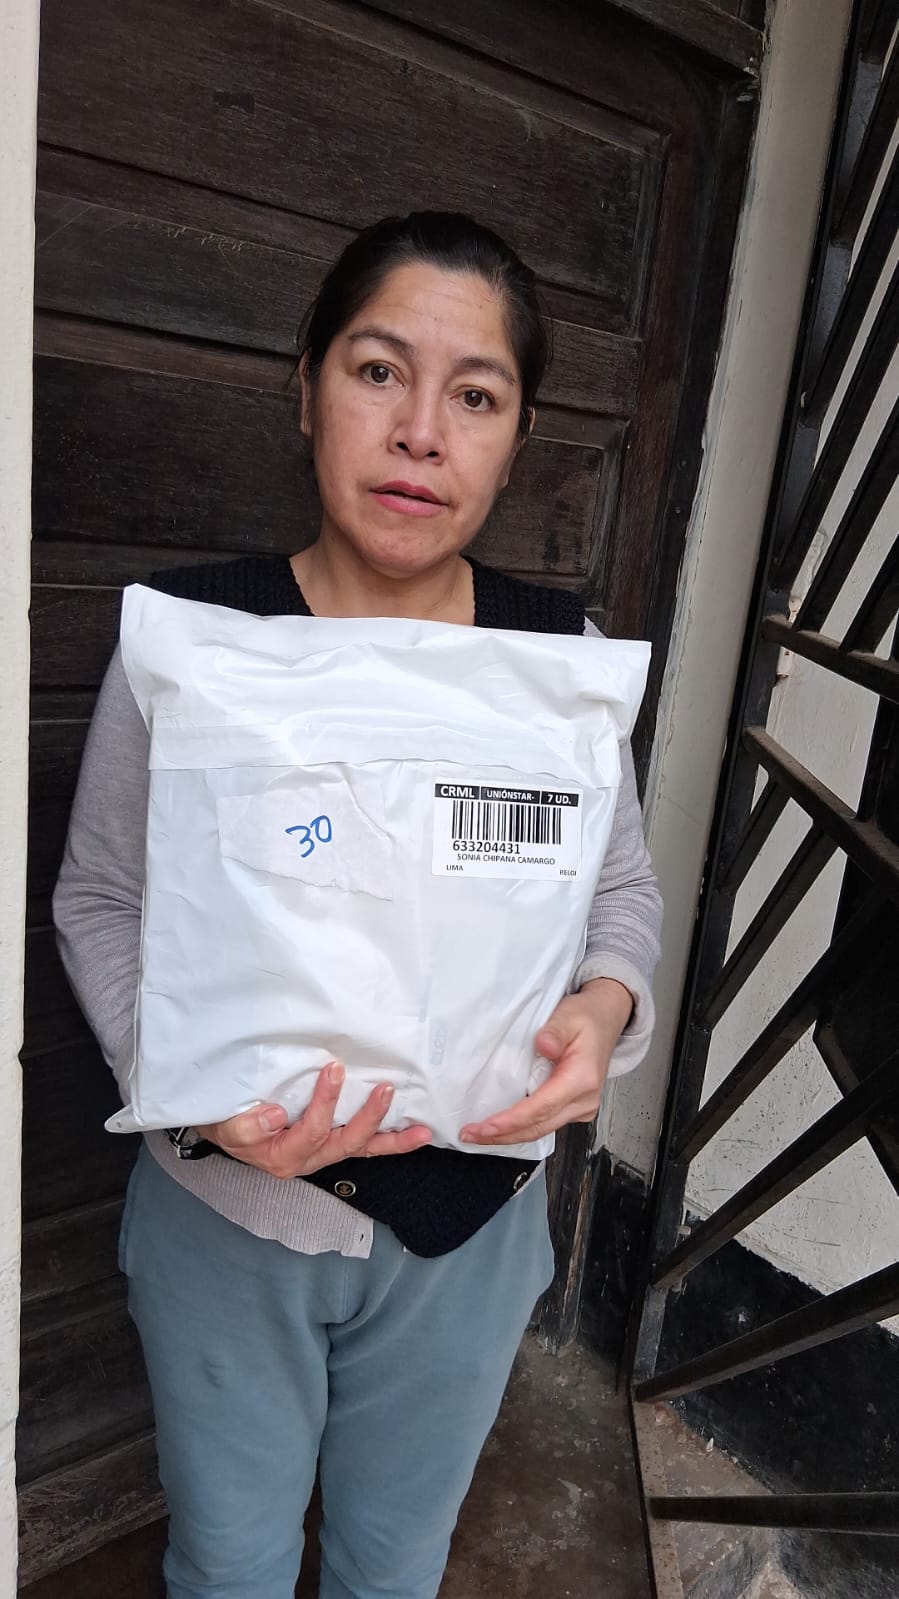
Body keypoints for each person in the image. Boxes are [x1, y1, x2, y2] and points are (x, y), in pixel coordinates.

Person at [54, 211, 663, 1599]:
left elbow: (620, 888)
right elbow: (100, 895)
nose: (420, 433)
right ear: (308, 387)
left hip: (471, 1228)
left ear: (516, 437)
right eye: (379, 371)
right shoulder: (194, 642)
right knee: (227, 1565)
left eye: (476, 396)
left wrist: (604, 1005)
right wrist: (188, 1089)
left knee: (395, 1567)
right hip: (229, 1226)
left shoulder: (554, 667)